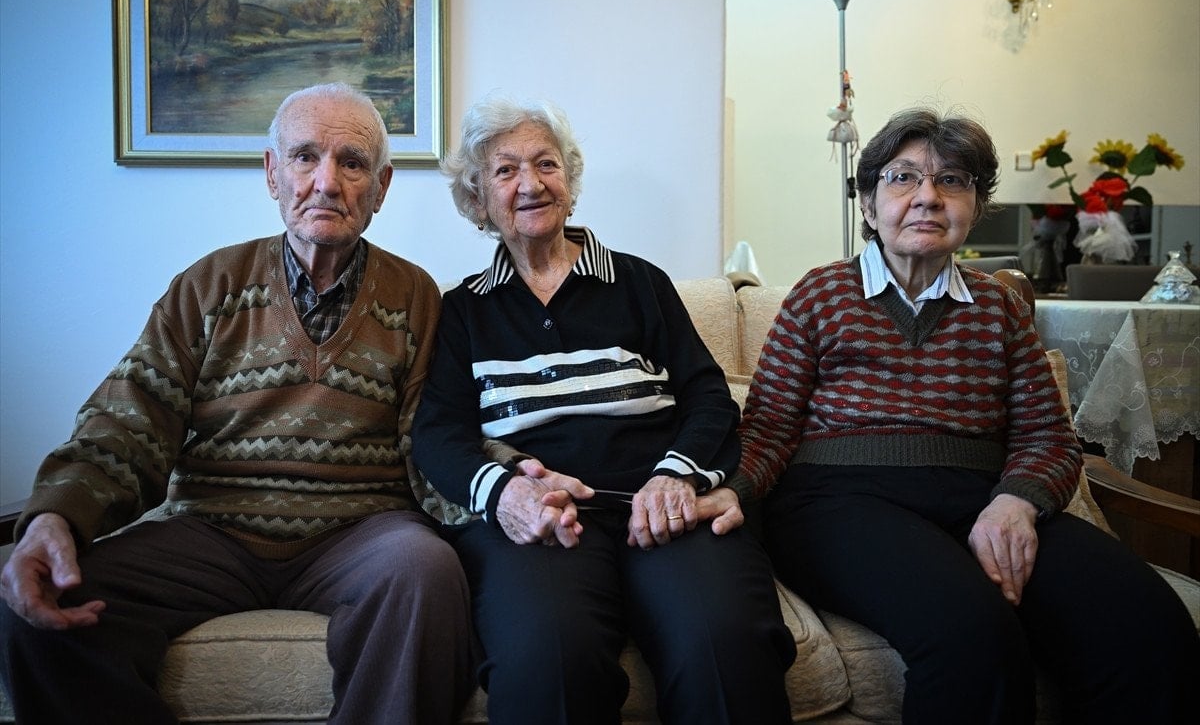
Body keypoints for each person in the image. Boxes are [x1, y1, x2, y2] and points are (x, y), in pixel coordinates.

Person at [703, 107, 1200, 723]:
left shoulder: (999, 306)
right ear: (868, 204)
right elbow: (770, 426)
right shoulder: (820, 294)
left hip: (980, 497)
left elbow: (1047, 436)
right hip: (837, 503)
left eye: (952, 180)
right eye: (903, 177)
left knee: (1149, 626)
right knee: (973, 635)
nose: (928, 197)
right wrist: (733, 488)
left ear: (976, 204)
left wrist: (1016, 501)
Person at [0, 82, 475, 724]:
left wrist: (509, 490)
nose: (327, 182)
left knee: (426, 569)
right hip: (210, 532)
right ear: (272, 173)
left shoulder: (416, 296)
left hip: (361, 535)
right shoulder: (210, 285)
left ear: (381, 187)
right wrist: (58, 514)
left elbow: (436, 440)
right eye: (304, 156)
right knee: (36, 605)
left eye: (352, 163)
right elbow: (128, 420)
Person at [409, 94, 795, 725]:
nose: (531, 184)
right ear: (478, 200)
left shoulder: (640, 283)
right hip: (544, 520)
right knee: (547, 661)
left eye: (546, 164)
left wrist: (675, 477)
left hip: (663, 506)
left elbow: (707, 396)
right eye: (506, 171)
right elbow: (437, 434)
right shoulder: (463, 311)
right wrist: (505, 494)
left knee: (724, 642)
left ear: (570, 182)